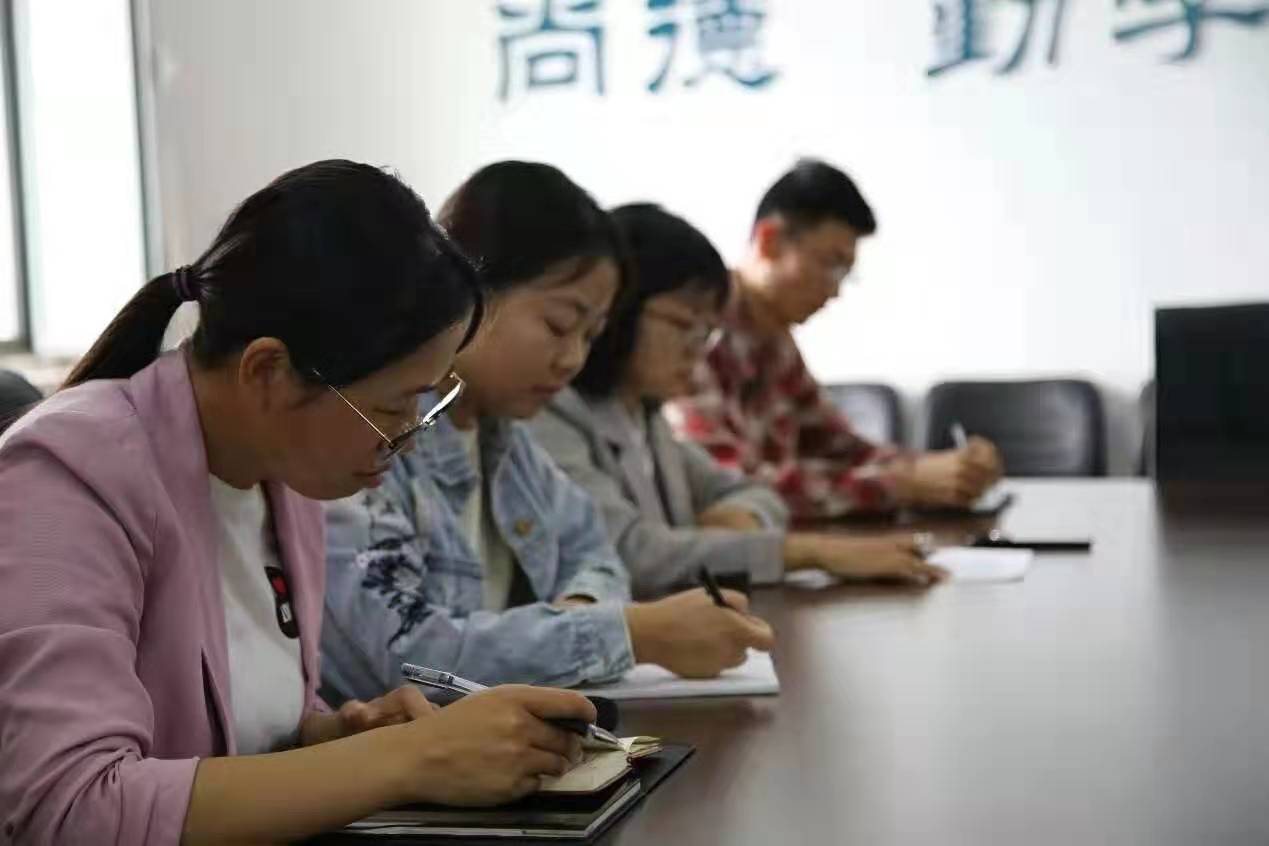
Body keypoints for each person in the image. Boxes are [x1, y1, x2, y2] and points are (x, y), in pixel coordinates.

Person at [0, 160, 599, 846]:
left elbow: (230, 732)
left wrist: (328, 735)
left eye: (426, 402)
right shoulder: (68, 475)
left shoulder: (282, 473)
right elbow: (72, 808)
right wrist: (405, 760)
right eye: (392, 407)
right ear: (268, 372)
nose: (408, 437)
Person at [322, 162, 774, 702]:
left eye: (591, 335)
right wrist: (625, 633)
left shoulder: (506, 440)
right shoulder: (373, 435)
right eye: (559, 326)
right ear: (468, 288)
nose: (573, 359)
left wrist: (580, 618)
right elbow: (400, 659)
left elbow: (597, 555)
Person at [529, 203, 947, 599]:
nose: (697, 350)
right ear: (615, 314)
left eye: (706, 332)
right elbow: (630, 553)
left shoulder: (646, 419)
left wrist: (745, 517)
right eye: (681, 325)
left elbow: (754, 490)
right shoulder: (554, 415)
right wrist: (811, 552)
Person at [667, 159, 1003, 522]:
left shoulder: (776, 341)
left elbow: (842, 448)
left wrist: (944, 470)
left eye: (845, 273)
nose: (835, 290)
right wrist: (902, 484)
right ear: (770, 241)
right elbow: (731, 488)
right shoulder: (695, 332)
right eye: (831, 264)